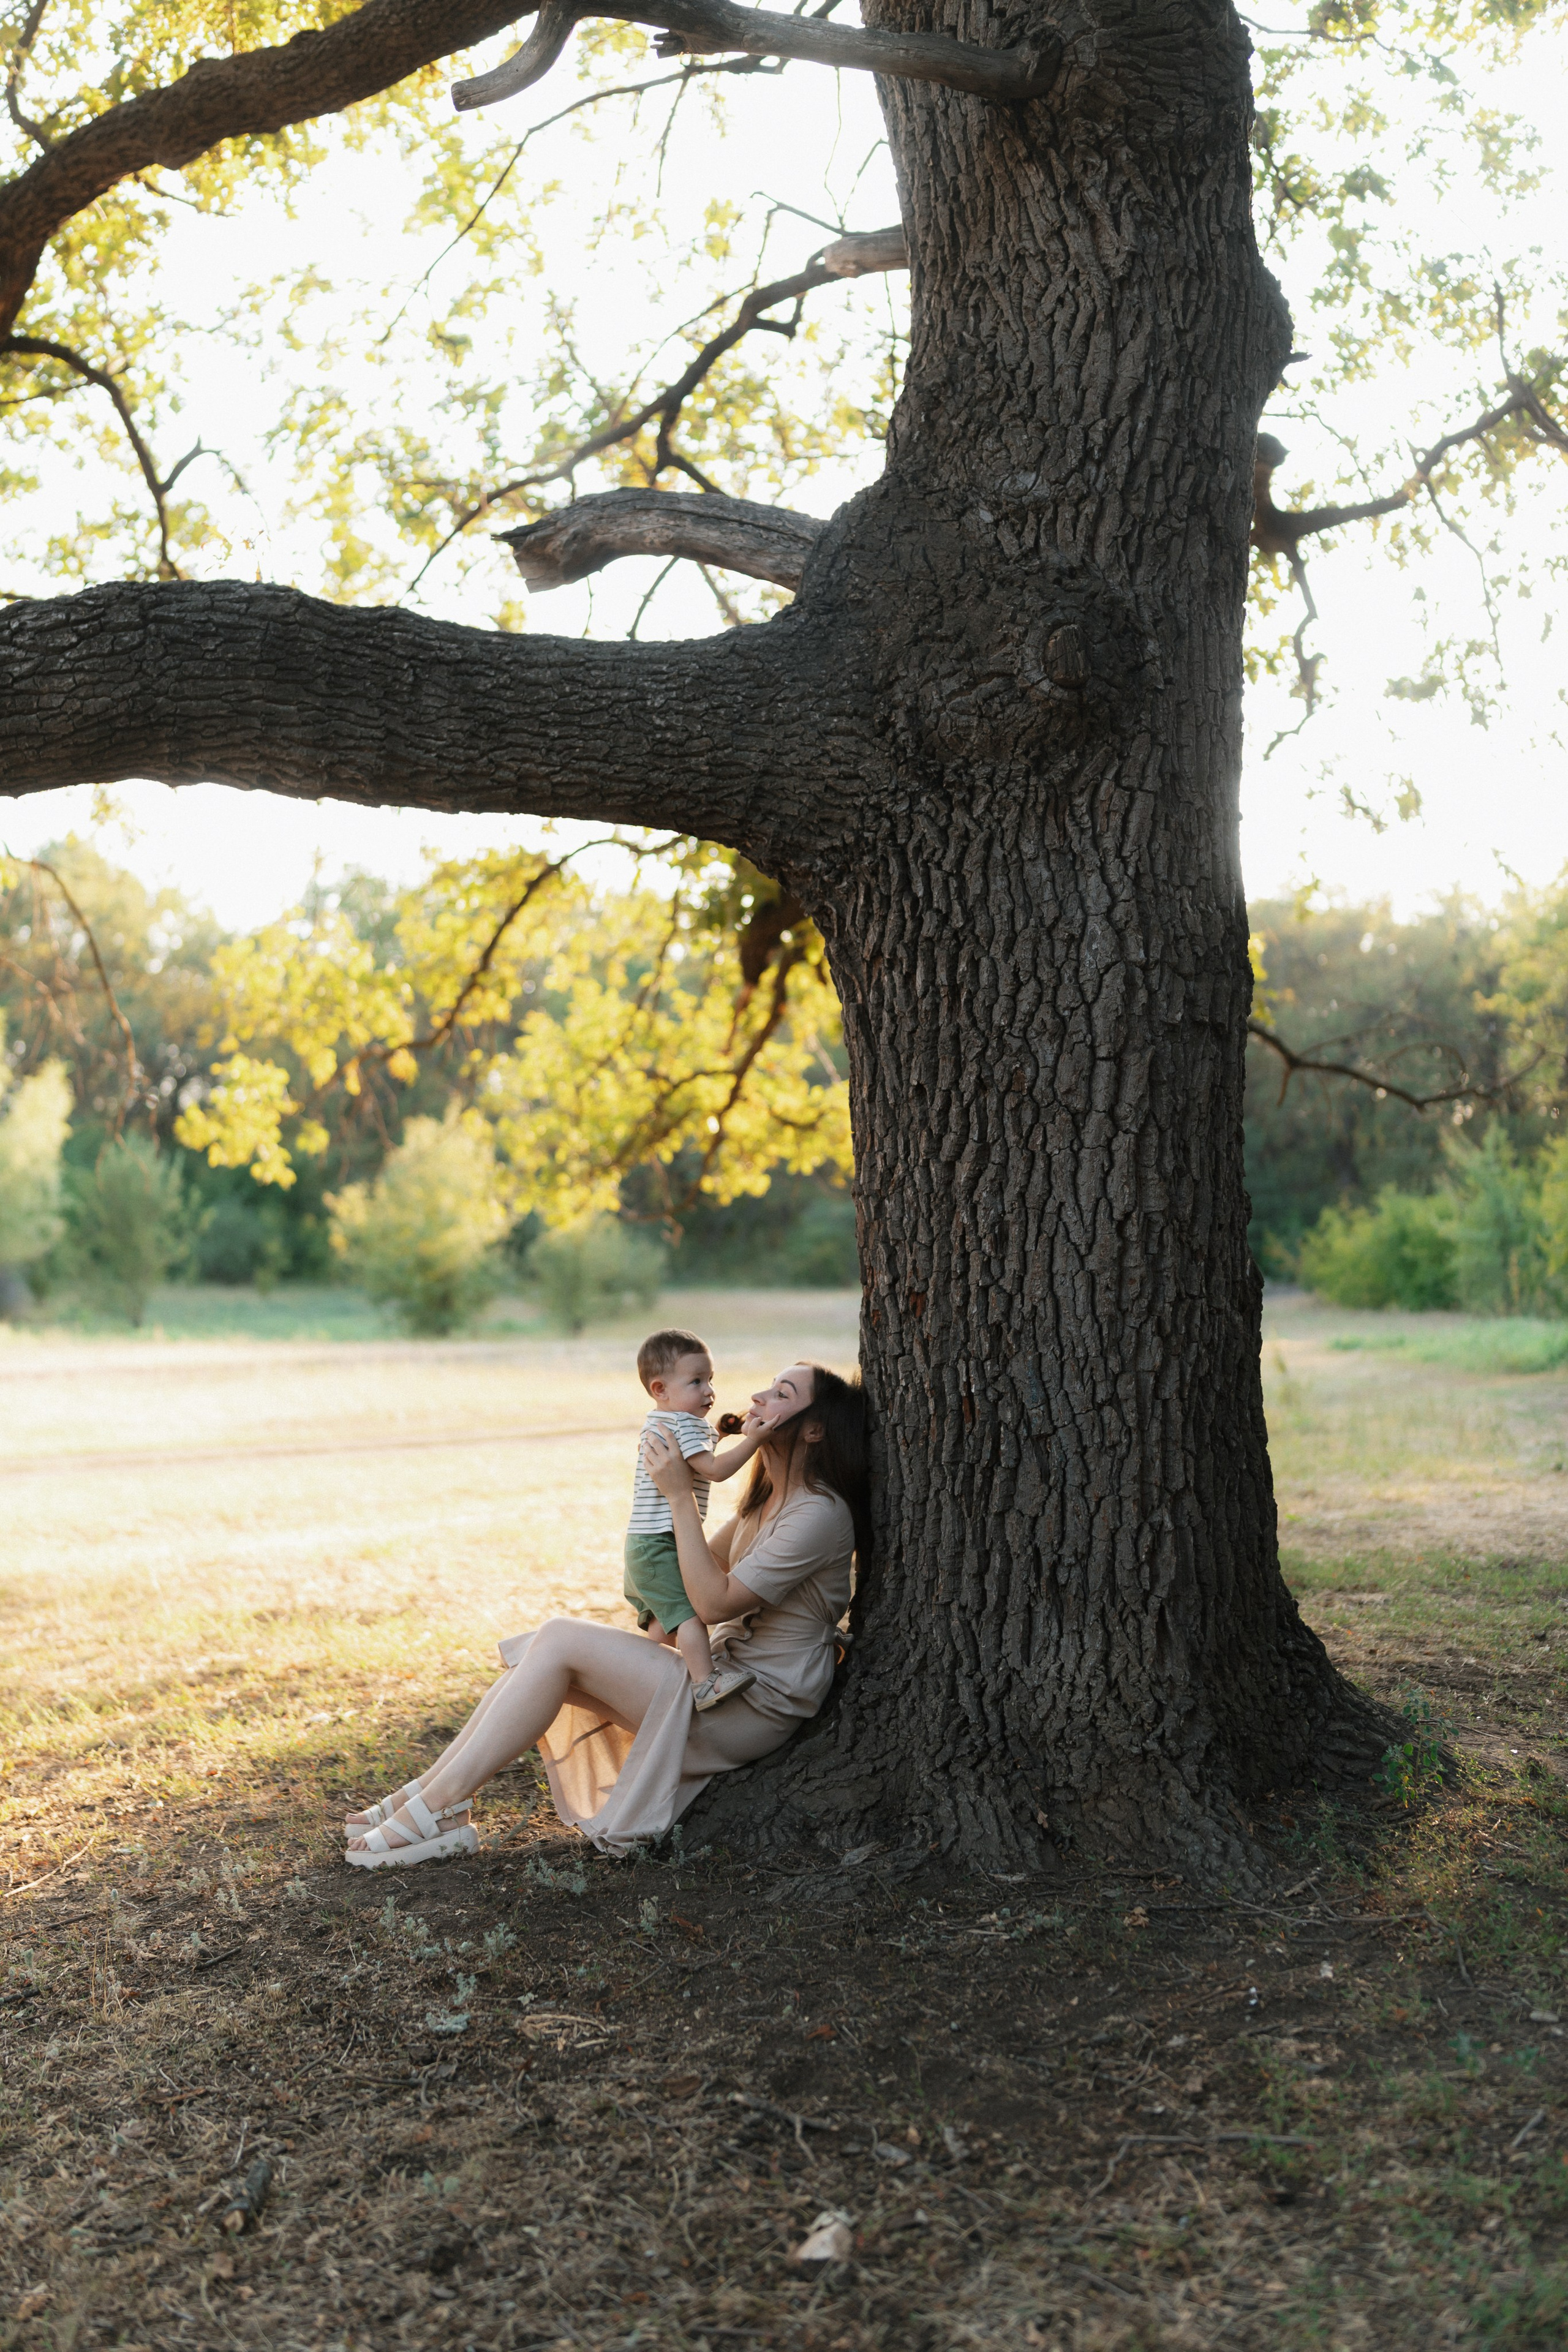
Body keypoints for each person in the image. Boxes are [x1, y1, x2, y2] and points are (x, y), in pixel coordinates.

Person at [342, 1359, 869, 1868]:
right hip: (720, 1679)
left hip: (754, 1704)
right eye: (769, 1386)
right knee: (547, 1655)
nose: (758, 1397)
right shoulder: (767, 1503)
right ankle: (433, 1797)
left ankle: (436, 1810)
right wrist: (657, 1535)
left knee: (561, 1639)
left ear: (814, 1431)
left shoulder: (820, 1512)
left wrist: (680, 1496)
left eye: (782, 1394)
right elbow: (697, 1568)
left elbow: (711, 1601)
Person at [624, 1325, 763, 1711]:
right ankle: (705, 1683)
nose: (709, 1392)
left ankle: (632, 1680)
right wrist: (755, 1439)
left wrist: (718, 1432)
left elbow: (697, 1458)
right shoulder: (682, 1424)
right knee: (688, 1613)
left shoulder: (667, 1421)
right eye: (696, 1381)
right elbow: (714, 1470)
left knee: (663, 1624)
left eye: (710, 1380)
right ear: (660, 1389)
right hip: (660, 1543)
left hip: (648, 1543)